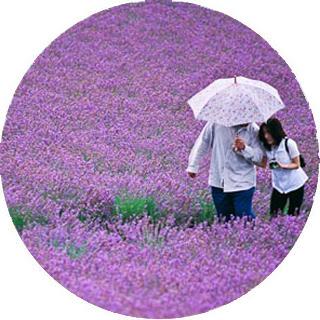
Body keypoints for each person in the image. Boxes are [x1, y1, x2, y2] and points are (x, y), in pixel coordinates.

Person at [186, 121, 264, 222]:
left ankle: (256, 235)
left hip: (243, 182)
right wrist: (193, 166)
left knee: (244, 217)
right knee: (223, 219)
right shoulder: (216, 123)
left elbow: (261, 158)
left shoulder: (253, 130)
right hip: (219, 180)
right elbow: (203, 142)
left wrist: (244, 149)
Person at [258, 118, 308, 217]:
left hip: (295, 184)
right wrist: (243, 150)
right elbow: (262, 164)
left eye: (269, 133)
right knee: (274, 214)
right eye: (264, 133)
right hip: (279, 185)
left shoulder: (289, 143)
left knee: (293, 215)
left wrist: (282, 165)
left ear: (276, 132)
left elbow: (296, 164)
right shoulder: (266, 147)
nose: (266, 136)